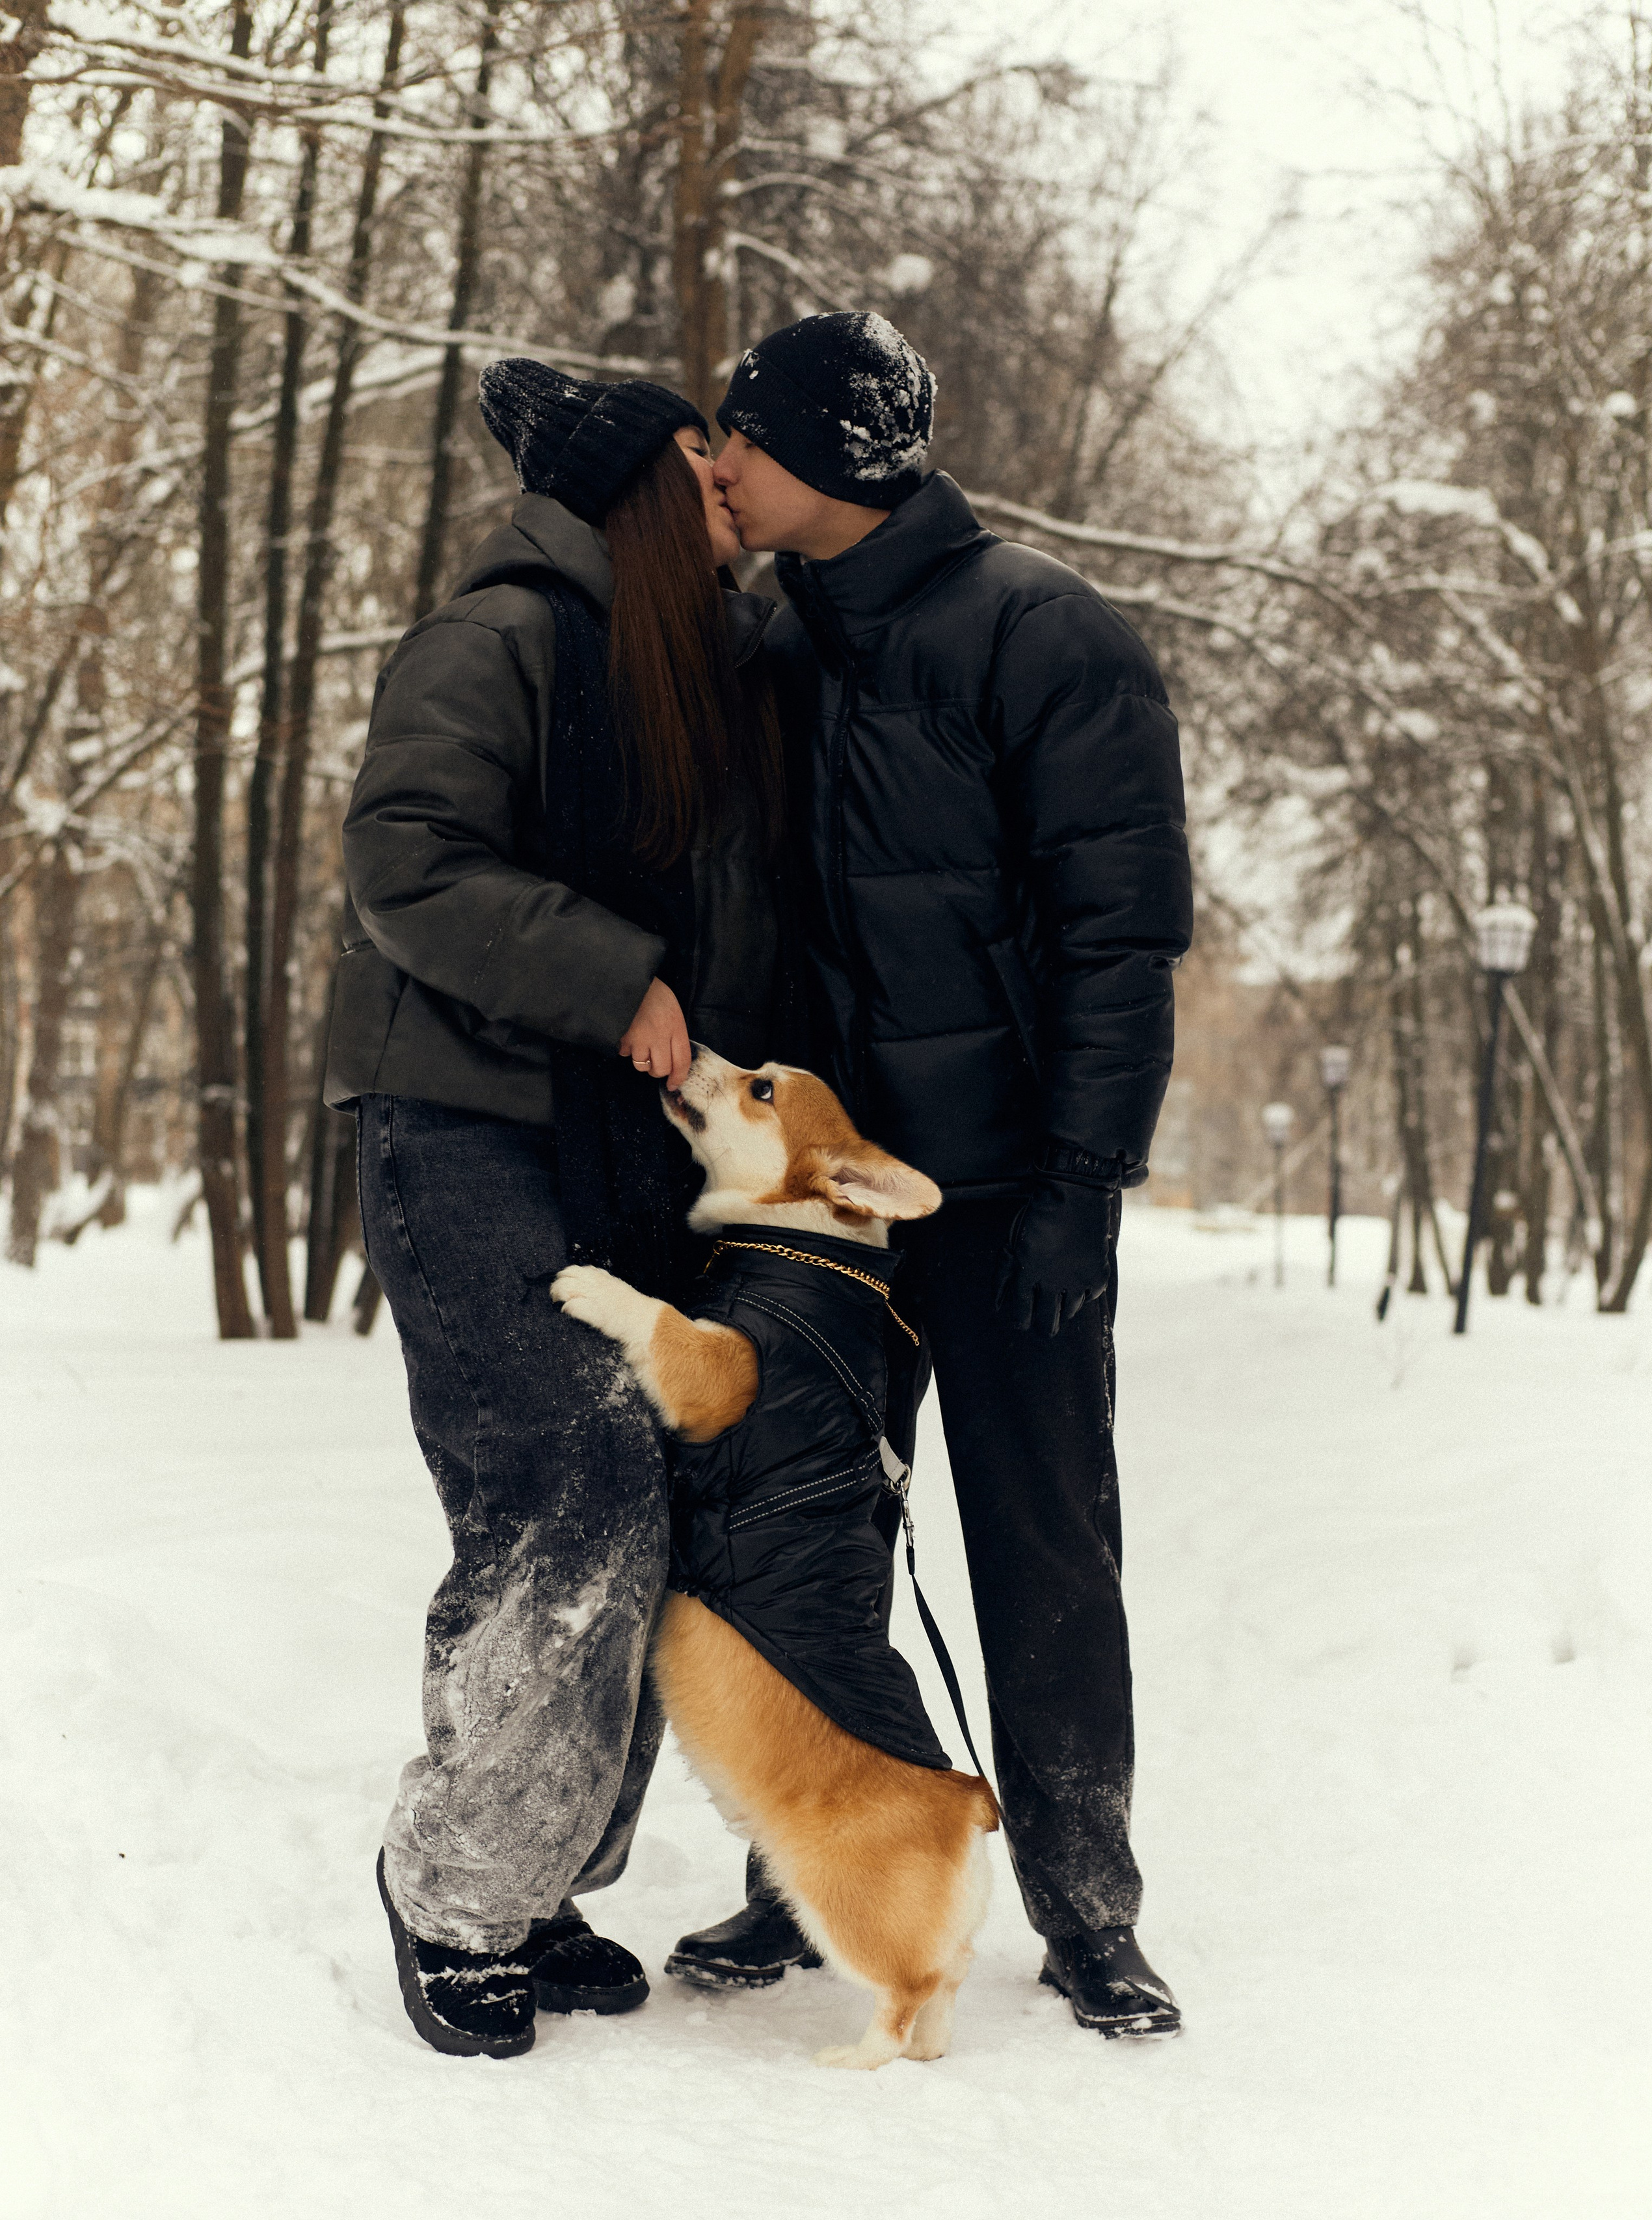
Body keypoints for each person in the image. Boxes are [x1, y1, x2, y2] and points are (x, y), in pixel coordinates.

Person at [665, 312, 1193, 2039]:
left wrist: (1076, 1185)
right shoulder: (777, 647)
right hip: (826, 1221)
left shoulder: (1048, 638)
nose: (718, 462)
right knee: (803, 1547)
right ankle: (795, 1873)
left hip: (1009, 1200)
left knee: (1045, 1546)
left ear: (822, 454)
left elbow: (1120, 942)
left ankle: (1089, 1906)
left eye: (739, 433)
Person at [323, 358, 786, 2058]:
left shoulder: (674, 664)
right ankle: (451, 1890)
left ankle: (536, 1882)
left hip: (611, 1139)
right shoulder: (497, 637)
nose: (734, 487)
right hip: (461, 1123)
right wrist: (619, 983)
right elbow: (408, 865)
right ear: (642, 484)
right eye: (706, 464)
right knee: (560, 1498)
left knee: (638, 1508)